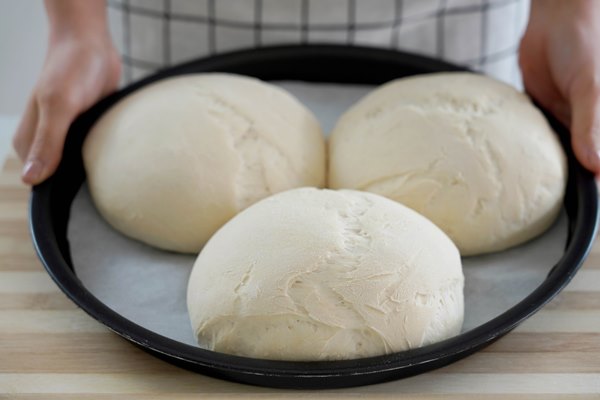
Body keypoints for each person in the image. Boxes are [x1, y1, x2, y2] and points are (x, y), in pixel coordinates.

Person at [13, 0, 600, 185]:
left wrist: (569, 13)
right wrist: (77, 30)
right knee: (162, 174)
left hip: (457, 45)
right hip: (178, 52)